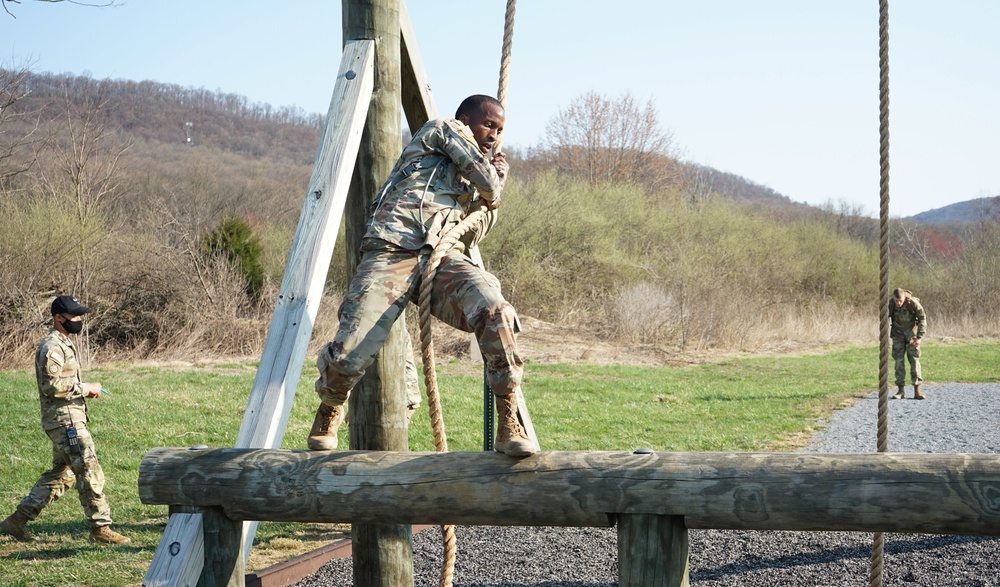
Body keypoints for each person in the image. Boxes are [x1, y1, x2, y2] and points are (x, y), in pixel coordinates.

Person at [309, 94, 535, 457]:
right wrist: (496, 180)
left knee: (495, 310)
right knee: (351, 350)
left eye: (500, 130)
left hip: (440, 259)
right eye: (488, 125)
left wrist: (487, 198)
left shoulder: (470, 178)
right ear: (465, 119)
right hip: (394, 249)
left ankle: (509, 417)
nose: (493, 135)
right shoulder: (442, 130)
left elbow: (473, 231)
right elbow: (490, 184)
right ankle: (331, 404)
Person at [0, 295, 128, 544]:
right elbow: (51, 386)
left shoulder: (64, 342)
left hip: (67, 419)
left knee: (64, 474)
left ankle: (16, 521)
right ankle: (100, 529)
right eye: (75, 316)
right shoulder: (52, 346)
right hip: (64, 422)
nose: (79, 320)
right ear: (59, 318)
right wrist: (85, 387)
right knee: (89, 468)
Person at [889, 288, 927, 400]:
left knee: (914, 360)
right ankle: (900, 391)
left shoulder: (913, 303)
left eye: (900, 300)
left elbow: (922, 319)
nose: (898, 303)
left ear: (904, 298)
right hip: (897, 334)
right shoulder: (890, 304)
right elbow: (883, 319)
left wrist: (919, 337)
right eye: (896, 301)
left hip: (912, 335)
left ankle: (917, 390)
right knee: (899, 362)